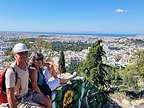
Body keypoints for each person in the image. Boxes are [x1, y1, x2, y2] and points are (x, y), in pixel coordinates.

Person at [5, 43, 51, 108]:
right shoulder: (11, 72)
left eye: (25, 52)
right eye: (20, 53)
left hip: (29, 93)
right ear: (15, 55)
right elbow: (9, 94)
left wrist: (47, 64)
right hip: (20, 99)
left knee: (48, 101)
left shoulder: (26, 65)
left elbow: (38, 63)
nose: (24, 55)